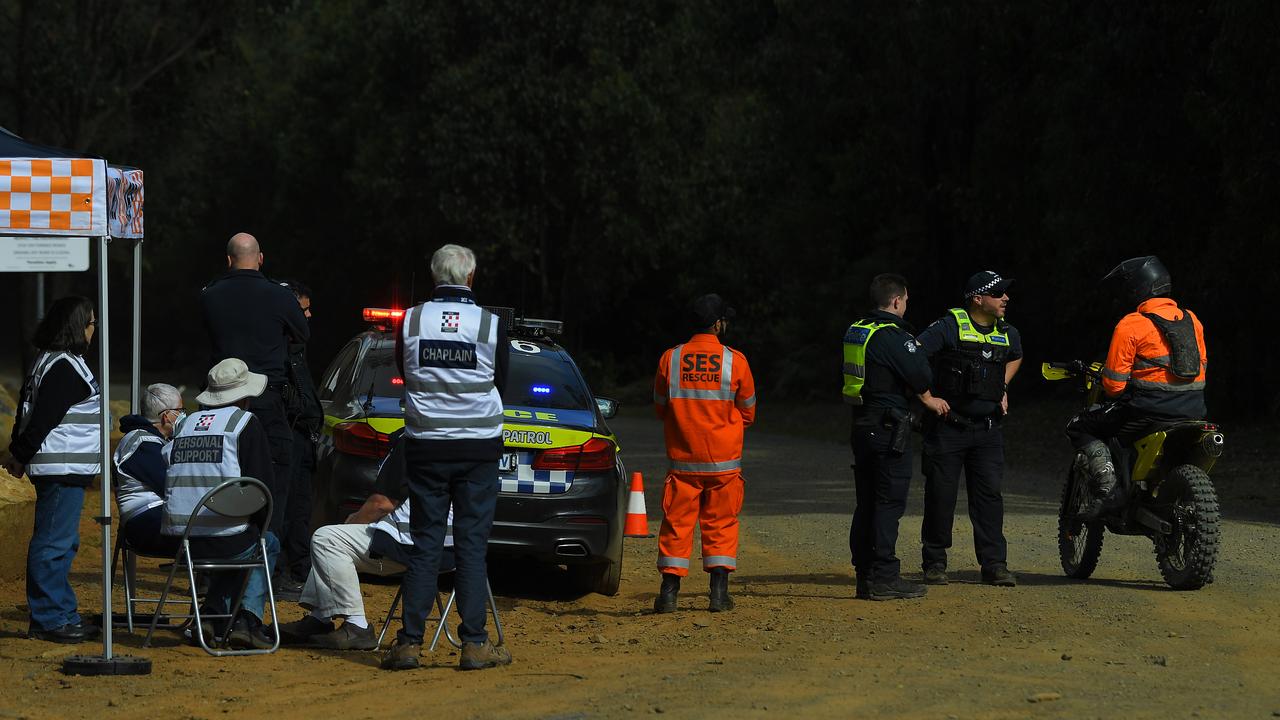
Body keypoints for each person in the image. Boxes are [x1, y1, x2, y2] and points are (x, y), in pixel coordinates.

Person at [382, 243, 511, 672]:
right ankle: (474, 643)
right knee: (472, 545)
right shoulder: (490, 323)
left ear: (435, 276)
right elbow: (501, 380)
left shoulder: (412, 320)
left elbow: (403, 368)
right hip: (478, 448)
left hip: (426, 445)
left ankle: (409, 644)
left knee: (425, 542)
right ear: (471, 278)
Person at [276, 431, 455, 651]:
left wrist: (353, 522)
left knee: (327, 539)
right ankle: (320, 618)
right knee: (336, 537)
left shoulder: (413, 439)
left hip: (412, 546)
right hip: (448, 546)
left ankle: (356, 626)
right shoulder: (461, 440)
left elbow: (382, 504)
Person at [1067, 256, 1207, 517]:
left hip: (1147, 411)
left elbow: (1113, 386)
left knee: (1079, 425)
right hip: (1193, 409)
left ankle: (1109, 490)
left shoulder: (1132, 324)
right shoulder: (1192, 320)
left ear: (1137, 289)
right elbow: (1202, 365)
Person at [3, 296, 103, 643]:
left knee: (61, 542)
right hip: (62, 466)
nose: (94, 331)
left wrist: (19, 451)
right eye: (92, 323)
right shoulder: (65, 366)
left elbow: (26, 412)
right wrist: (20, 452)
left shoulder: (48, 361)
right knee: (53, 544)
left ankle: (60, 612)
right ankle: (50, 618)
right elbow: (43, 417)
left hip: (60, 465)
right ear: (78, 327)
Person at [841, 274, 945, 601]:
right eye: (906, 302)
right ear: (897, 301)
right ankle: (885, 576)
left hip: (862, 424)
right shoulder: (893, 336)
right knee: (888, 503)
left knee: (867, 502)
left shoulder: (857, 330)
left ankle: (865, 575)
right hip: (888, 428)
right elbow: (922, 374)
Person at [165, 358, 282, 649]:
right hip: (226, 540)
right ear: (244, 396)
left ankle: (211, 614)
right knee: (264, 542)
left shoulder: (186, 424)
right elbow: (262, 490)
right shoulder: (243, 424)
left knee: (240, 541)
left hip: (183, 542)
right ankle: (247, 619)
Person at [915, 271, 1022, 587]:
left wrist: (1001, 385)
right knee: (941, 496)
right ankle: (934, 563)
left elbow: (1016, 356)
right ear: (978, 298)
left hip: (988, 431)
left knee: (989, 498)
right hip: (948, 429)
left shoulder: (1007, 332)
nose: (1006, 298)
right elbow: (913, 354)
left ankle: (994, 565)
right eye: (999, 293)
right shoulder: (948, 327)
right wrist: (926, 397)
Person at [651, 293, 756, 613]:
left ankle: (669, 594)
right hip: (724, 464)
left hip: (683, 462)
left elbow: (660, 407)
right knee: (722, 523)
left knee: (676, 524)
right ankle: (718, 594)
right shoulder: (735, 360)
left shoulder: (670, 358)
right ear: (718, 324)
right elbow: (748, 411)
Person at [200, 232, 309, 539]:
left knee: (219, 478)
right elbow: (303, 334)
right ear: (260, 259)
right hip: (266, 398)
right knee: (272, 482)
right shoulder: (279, 295)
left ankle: (214, 562)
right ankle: (264, 559)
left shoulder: (210, 294)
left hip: (219, 401)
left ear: (228, 260)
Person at [277, 279, 323, 599]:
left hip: (303, 436)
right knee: (286, 509)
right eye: (304, 310)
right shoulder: (276, 350)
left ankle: (299, 570)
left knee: (300, 509)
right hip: (288, 435)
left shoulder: (296, 348)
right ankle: (284, 574)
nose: (309, 316)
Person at [113, 383, 186, 558]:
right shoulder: (143, 443)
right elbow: (172, 486)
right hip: (146, 523)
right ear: (167, 416)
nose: (183, 416)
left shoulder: (149, 440)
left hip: (154, 518)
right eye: (180, 410)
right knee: (216, 535)